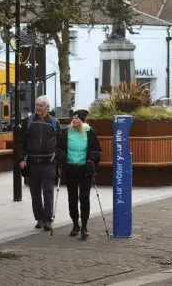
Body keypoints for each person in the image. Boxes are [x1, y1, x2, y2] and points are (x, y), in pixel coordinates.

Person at [18, 95, 63, 231]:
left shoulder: (55, 122)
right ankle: (39, 218)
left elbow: (60, 143)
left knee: (48, 191)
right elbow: (21, 142)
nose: (38, 107)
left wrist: (58, 158)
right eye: (37, 105)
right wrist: (21, 159)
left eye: (41, 105)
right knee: (35, 193)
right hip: (32, 163)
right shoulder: (28, 121)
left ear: (47, 107)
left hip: (49, 163)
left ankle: (48, 219)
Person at [61, 109, 101, 239]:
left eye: (77, 118)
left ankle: (84, 225)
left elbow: (96, 151)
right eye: (74, 118)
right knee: (72, 197)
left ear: (83, 120)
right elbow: (59, 148)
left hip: (85, 170)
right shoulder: (66, 132)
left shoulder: (90, 133)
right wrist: (60, 155)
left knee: (84, 197)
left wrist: (92, 160)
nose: (74, 120)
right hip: (70, 168)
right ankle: (75, 224)